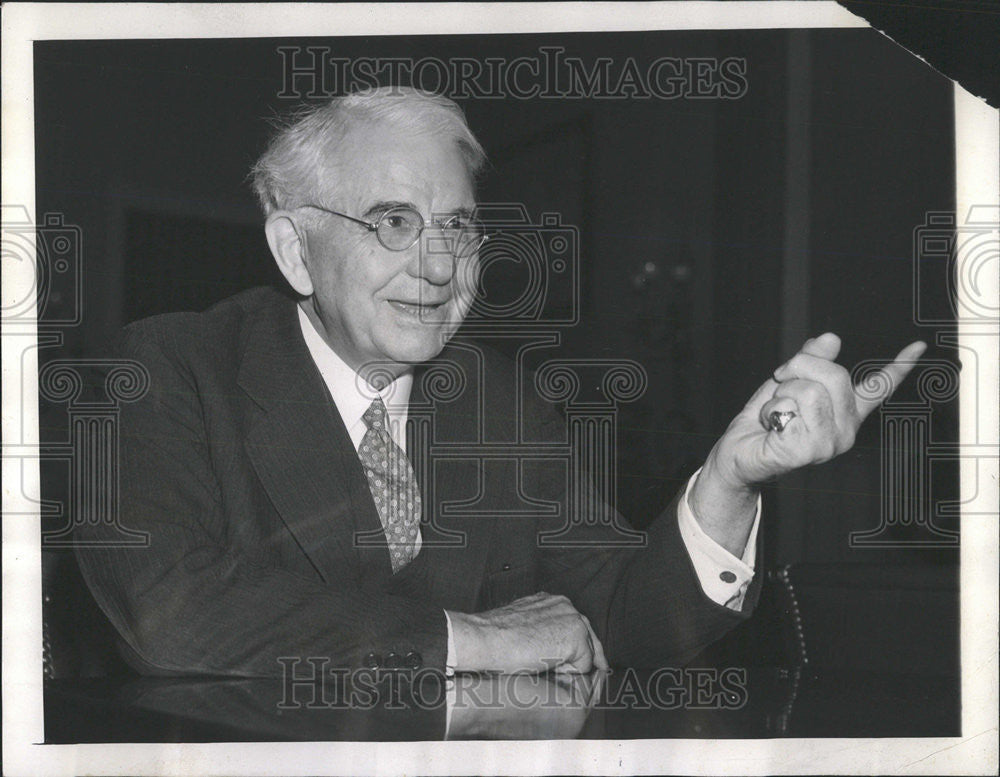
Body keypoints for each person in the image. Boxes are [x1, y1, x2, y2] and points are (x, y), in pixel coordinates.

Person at [75, 87, 924, 678]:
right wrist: (466, 639)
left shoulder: (499, 400)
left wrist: (734, 476)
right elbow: (168, 612)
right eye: (394, 222)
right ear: (297, 247)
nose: (439, 265)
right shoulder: (166, 369)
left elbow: (635, 618)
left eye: (459, 227)